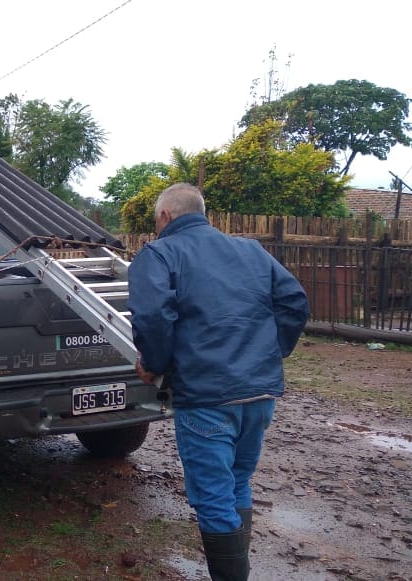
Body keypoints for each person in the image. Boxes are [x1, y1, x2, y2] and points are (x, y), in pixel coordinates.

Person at [128, 183, 309, 580]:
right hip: (259, 393)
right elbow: (295, 302)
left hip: (206, 396)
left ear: (165, 216)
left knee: (213, 498)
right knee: (237, 482)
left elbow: (153, 317)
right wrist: (267, 353)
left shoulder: (159, 253)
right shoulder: (251, 250)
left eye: (156, 221)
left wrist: (155, 365)